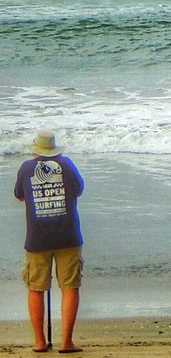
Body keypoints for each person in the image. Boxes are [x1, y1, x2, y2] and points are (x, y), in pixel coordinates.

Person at [14, 129, 84, 355]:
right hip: (68, 235)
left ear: (36, 149)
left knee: (36, 288)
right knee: (69, 287)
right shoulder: (67, 164)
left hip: (37, 238)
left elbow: (19, 195)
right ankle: (66, 342)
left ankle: (39, 342)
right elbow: (79, 189)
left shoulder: (26, 168)